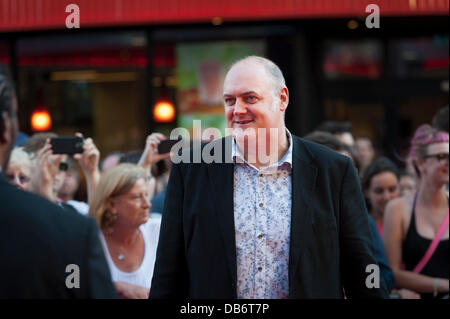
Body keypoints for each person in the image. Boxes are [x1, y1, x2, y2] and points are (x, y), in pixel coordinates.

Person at [150, 56, 387, 299]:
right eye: (229, 100)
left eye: (250, 98)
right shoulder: (192, 168)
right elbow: (168, 271)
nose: (237, 110)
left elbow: (361, 269)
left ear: (282, 98)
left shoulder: (334, 170)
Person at [0, 63, 116, 298]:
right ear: (6, 128)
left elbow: (102, 221)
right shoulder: (69, 232)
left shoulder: (73, 226)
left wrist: (91, 172)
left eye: (23, 177)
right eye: (13, 177)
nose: (18, 183)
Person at [383, 124, 449, 299]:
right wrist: (441, 284)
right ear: (420, 163)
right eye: (442, 156)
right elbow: (392, 273)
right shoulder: (397, 208)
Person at [89, 164, 161, 299]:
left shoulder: (158, 230)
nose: (147, 204)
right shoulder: (89, 239)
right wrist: (118, 287)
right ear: (111, 205)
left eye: (146, 195)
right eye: (137, 197)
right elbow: (71, 283)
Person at [361, 157, 400, 237]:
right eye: (379, 191)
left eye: (392, 190)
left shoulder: (408, 221)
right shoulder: (359, 225)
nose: (386, 197)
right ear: (366, 192)